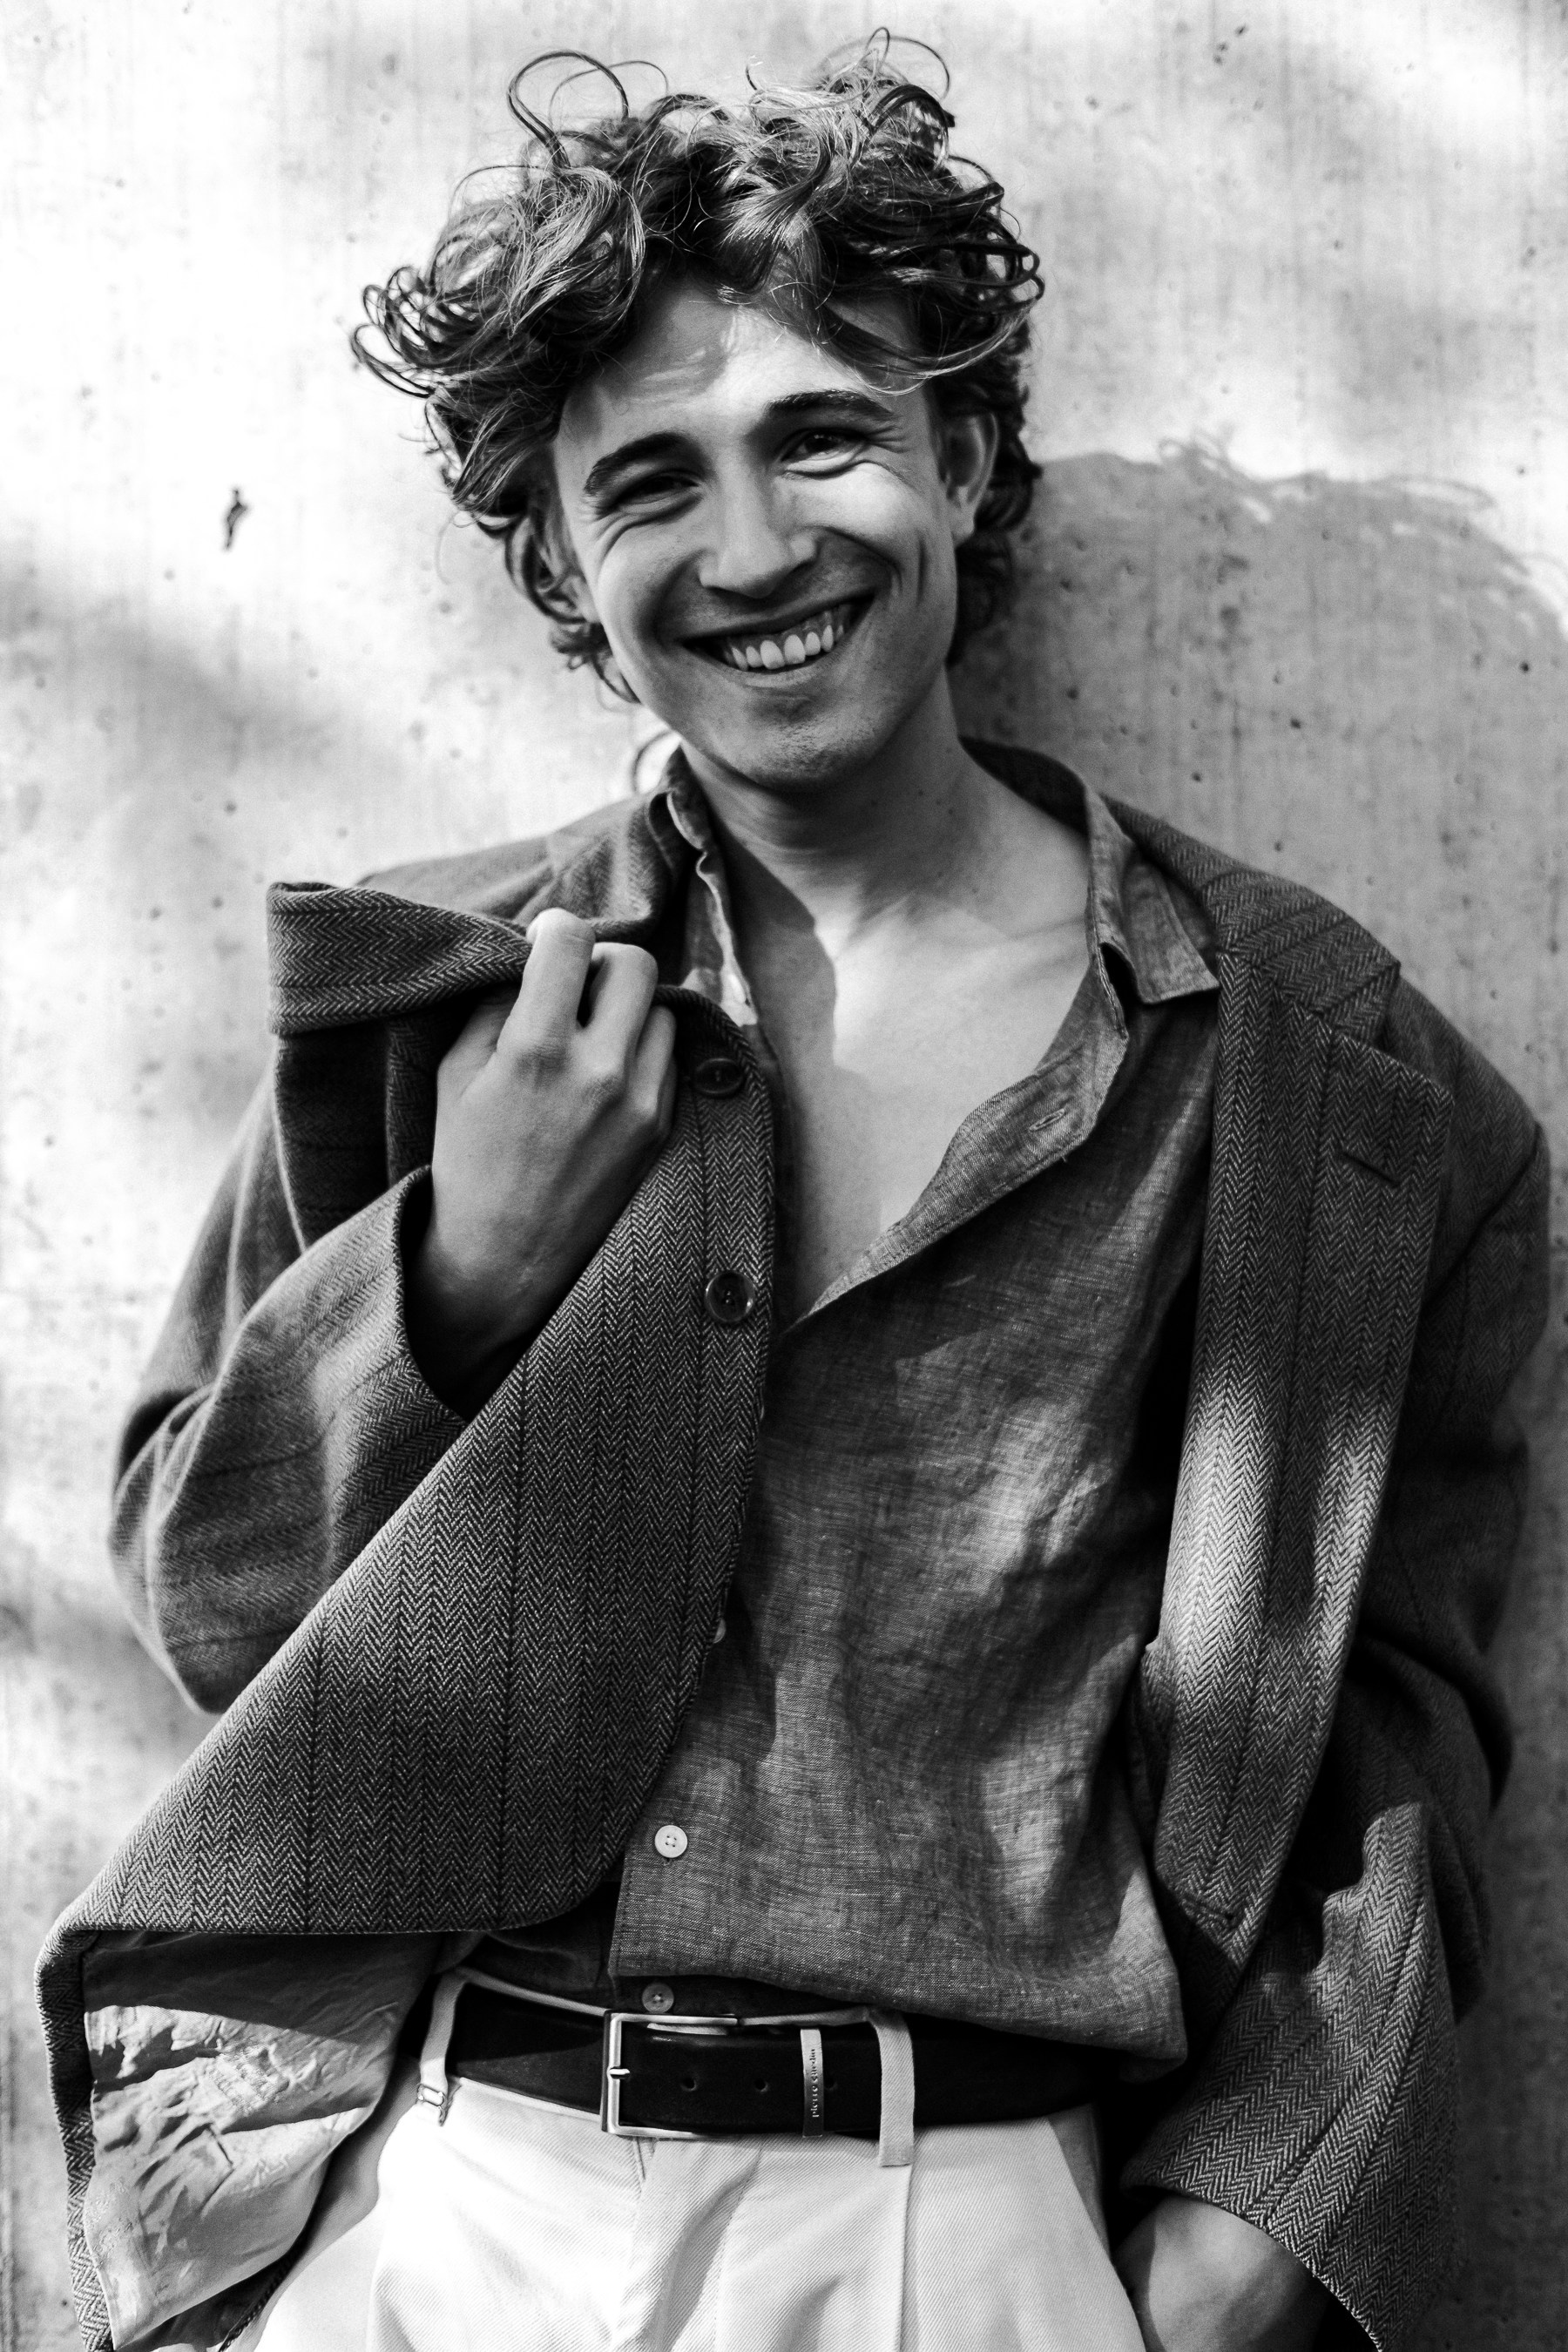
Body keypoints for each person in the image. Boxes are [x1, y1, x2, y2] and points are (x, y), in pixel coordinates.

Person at [38, 44, 1548, 2352]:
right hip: (444, 2213)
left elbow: (1398, 1717)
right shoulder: (430, 1009)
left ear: (963, 461)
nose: (752, 550)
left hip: (978, 2236)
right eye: (650, 482)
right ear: (567, 565)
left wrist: (1257, 2215)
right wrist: (460, 1272)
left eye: (822, 437)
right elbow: (216, 1603)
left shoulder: (1314, 1077)